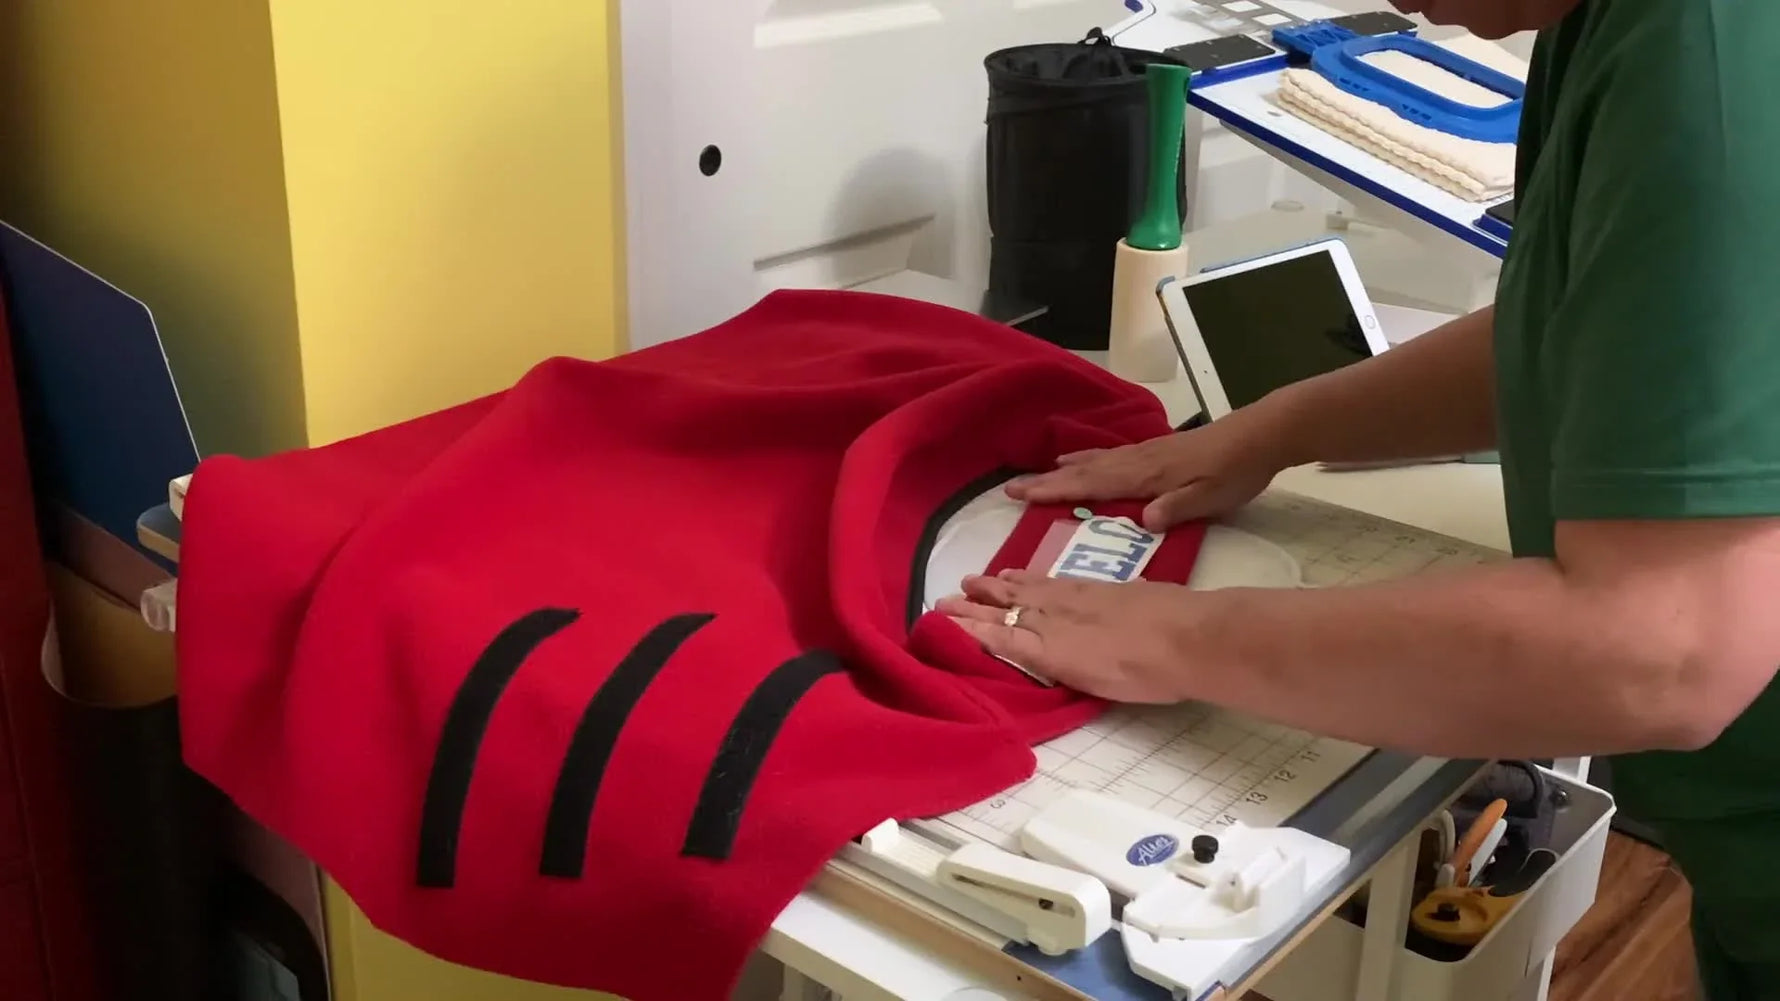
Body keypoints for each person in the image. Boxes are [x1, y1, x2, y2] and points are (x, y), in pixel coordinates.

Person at [939, 1, 1780, 996]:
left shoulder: (1706, 48)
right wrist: (1274, 430)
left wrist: (1177, 638)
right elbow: (1591, 319)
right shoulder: (1610, 28)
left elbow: (1659, 649)